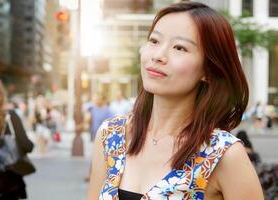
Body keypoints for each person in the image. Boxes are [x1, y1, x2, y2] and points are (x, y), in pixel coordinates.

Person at [88, 2, 263, 200]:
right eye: (154, 41)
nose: (158, 56)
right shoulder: (111, 135)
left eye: (179, 47)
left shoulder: (223, 154)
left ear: (208, 70)